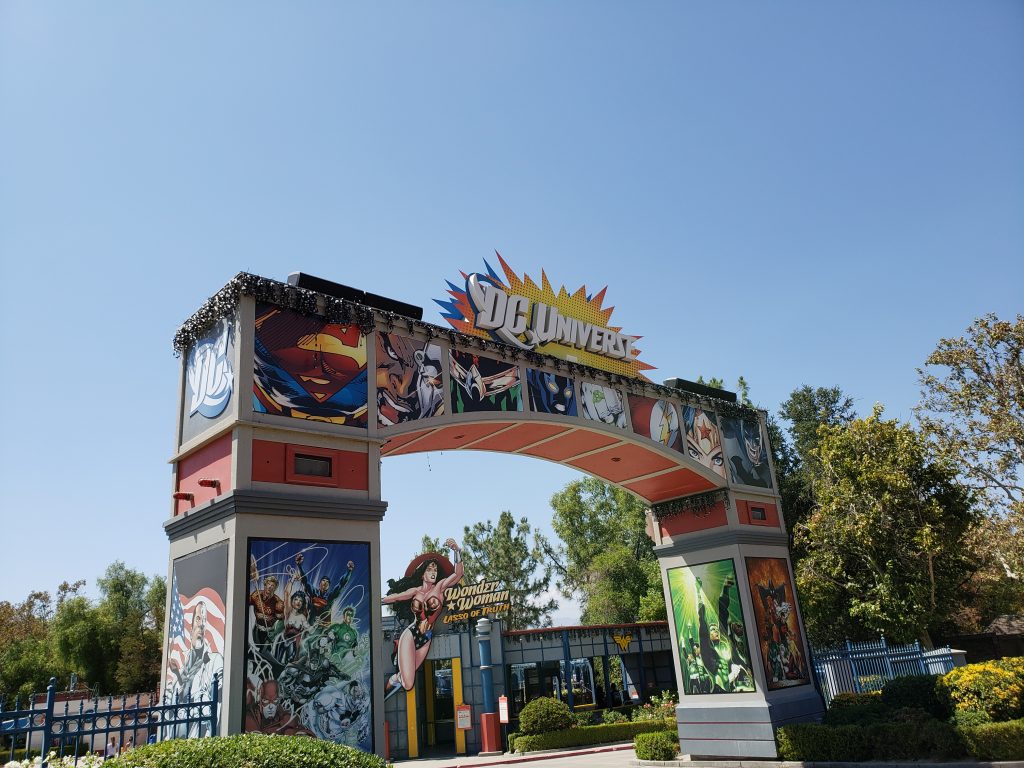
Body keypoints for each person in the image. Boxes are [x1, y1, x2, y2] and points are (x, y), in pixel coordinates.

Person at [381, 538, 464, 695]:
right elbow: (396, 597)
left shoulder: (440, 587)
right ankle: (390, 684)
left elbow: (458, 574)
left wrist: (457, 552)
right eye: (430, 569)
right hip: (411, 634)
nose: (433, 572)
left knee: (407, 682)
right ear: (422, 573)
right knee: (408, 683)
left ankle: (395, 678)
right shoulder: (415, 591)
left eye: (435, 570)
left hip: (426, 637)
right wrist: (376, 600)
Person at [295, 553, 355, 628]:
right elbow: (305, 581)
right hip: (310, 626)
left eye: (327, 582)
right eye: (323, 580)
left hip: (324, 629)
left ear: (329, 586)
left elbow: (341, 585)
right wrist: (299, 566)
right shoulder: (313, 592)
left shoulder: (330, 596)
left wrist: (349, 571)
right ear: (319, 583)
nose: (325, 582)